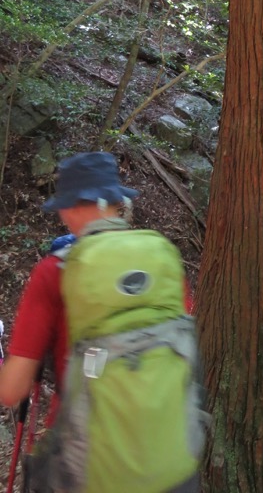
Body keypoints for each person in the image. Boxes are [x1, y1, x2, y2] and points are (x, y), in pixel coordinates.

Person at [0, 151, 201, 493]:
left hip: (91, 471)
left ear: (71, 206)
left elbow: (12, 390)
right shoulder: (161, 258)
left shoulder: (55, 272)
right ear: (116, 201)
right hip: (172, 464)